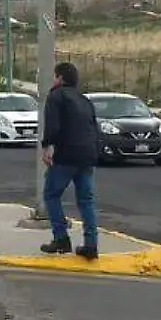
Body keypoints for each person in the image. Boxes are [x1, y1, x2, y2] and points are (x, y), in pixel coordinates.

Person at [39, 61, 100, 259]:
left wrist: (47, 147)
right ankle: (91, 244)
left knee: (51, 195)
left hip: (66, 155)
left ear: (60, 78)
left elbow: (53, 126)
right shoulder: (84, 100)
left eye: (54, 76)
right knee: (86, 201)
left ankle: (61, 238)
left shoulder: (56, 96)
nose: (53, 79)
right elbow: (94, 128)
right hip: (87, 156)